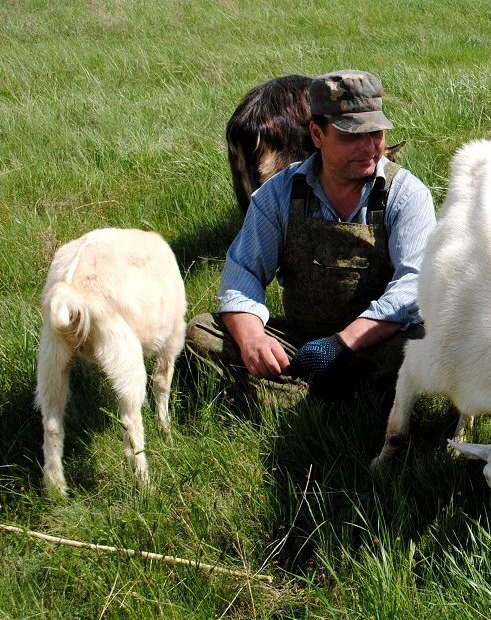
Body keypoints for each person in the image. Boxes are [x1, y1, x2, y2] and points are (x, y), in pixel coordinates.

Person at [186, 69, 436, 405]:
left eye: (375, 133)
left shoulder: (405, 195)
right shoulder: (278, 194)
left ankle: (294, 397)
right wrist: (253, 340)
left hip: (375, 343)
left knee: (429, 341)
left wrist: (341, 343)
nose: (368, 147)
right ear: (317, 134)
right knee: (201, 334)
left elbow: (413, 288)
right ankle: (349, 400)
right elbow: (241, 275)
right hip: (300, 342)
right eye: (351, 135)